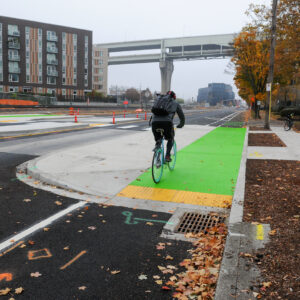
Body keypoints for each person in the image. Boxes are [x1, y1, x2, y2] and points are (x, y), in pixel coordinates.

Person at [151, 91, 185, 162]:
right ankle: (167, 156)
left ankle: (157, 149)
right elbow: (181, 116)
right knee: (170, 138)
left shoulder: (159, 101)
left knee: (158, 139)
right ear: (173, 97)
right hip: (167, 123)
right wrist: (181, 124)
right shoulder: (175, 103)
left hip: (154, 123)